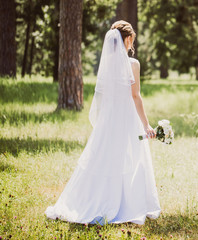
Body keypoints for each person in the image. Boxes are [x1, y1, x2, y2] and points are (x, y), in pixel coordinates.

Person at [45, 20, 161, 225]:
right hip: (127, 118)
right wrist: (146, 124)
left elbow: (104, 97)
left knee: (104, 157)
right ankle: (128, 204)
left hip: (109, 120)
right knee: (132, 158)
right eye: (131, 39)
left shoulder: (106, 66)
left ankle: (93, 200)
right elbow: (136, 97)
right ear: (128, 39)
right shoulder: (133, 64)